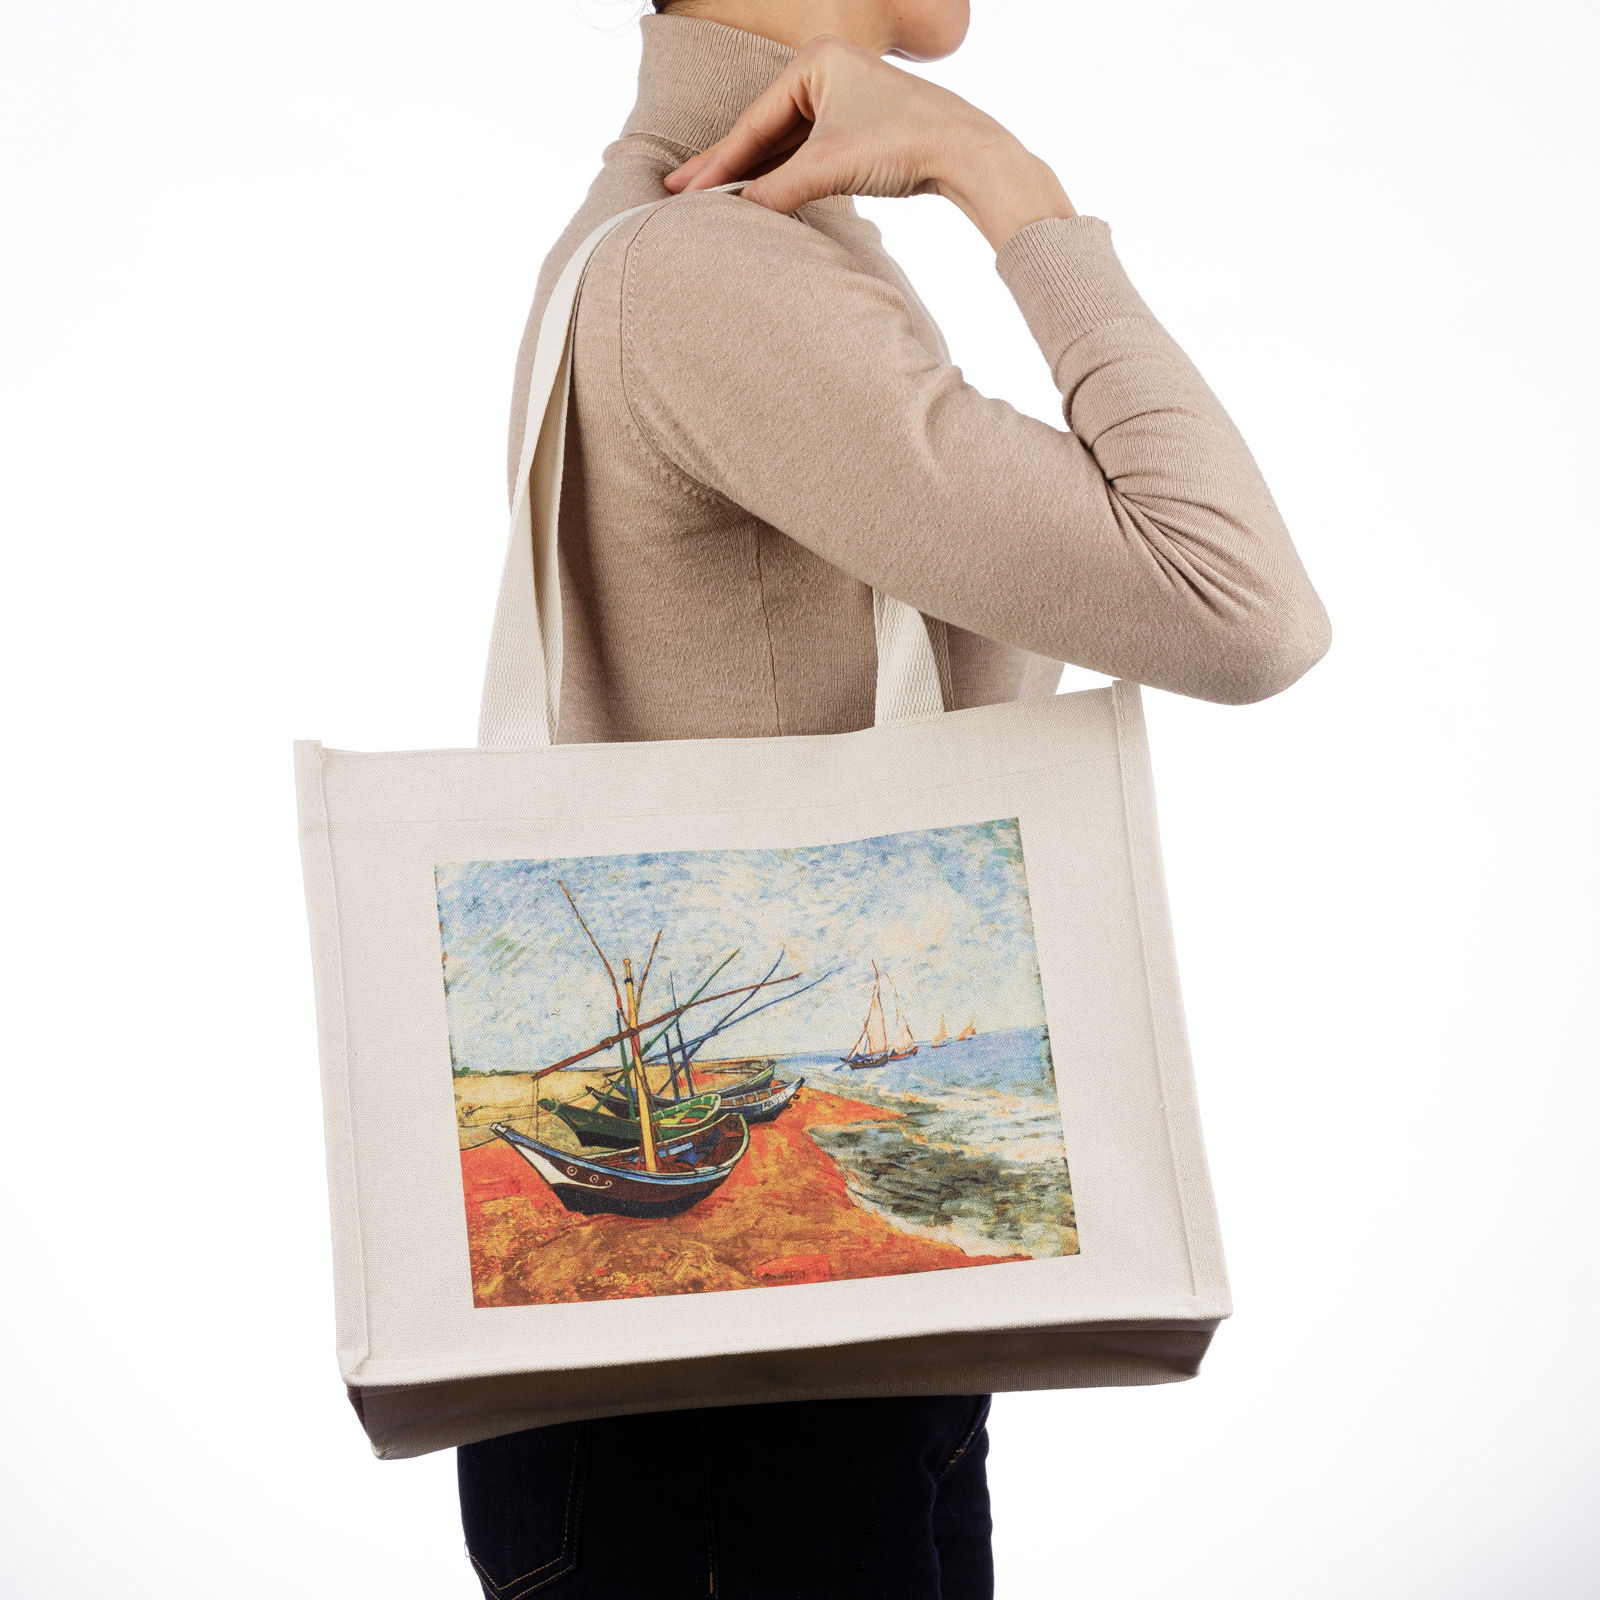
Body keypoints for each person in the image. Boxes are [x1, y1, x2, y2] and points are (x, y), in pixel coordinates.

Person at [457, 3, 1331, 1596]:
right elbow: (1240, 604)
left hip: (775, 1375)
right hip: (731, 1409)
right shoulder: (709, 271)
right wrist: (1011, 186)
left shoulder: (703, 238)